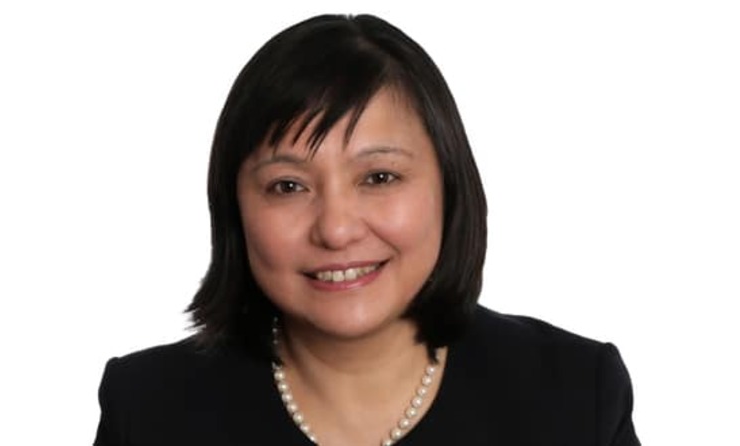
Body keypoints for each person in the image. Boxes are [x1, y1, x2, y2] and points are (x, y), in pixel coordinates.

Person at [94, 14, 640, 446]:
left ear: (449, 186)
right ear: (233, 206)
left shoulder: (574, 396)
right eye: (288, 186)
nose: (336, 229)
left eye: (379, 177)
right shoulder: (148, 409)